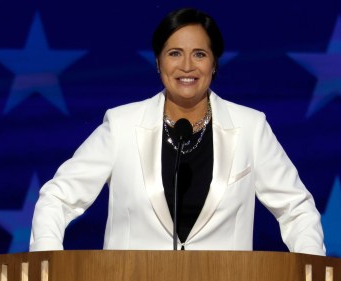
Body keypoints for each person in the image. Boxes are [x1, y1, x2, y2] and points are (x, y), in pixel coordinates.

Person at [30, 7, 325, 256]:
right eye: (174, 53)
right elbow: (57, 197)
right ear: (158, 62)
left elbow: (296, 208)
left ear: (214, 63)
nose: (187, 66)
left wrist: (311, 270)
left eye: (199, 54)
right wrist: (49, 262)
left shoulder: (250, 127)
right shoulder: (121, 125)